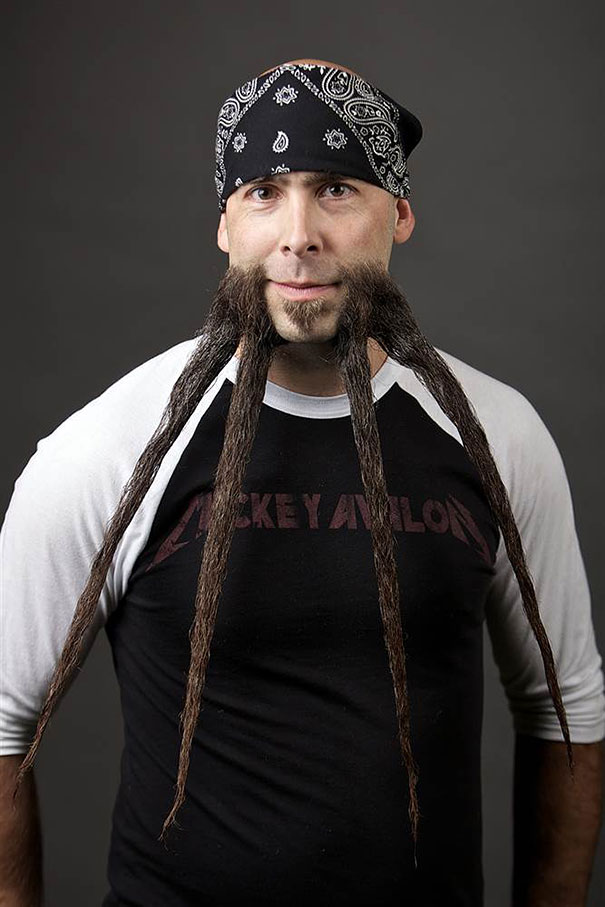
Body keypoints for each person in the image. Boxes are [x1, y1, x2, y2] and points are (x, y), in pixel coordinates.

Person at [1, 57, 603, 907]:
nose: (298, 234)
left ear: (399, 213)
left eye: (335, 189)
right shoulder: (108, 447)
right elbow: (2, 720)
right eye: (263, 192)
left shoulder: (497, 436)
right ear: (224, 225)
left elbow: (563, 706)